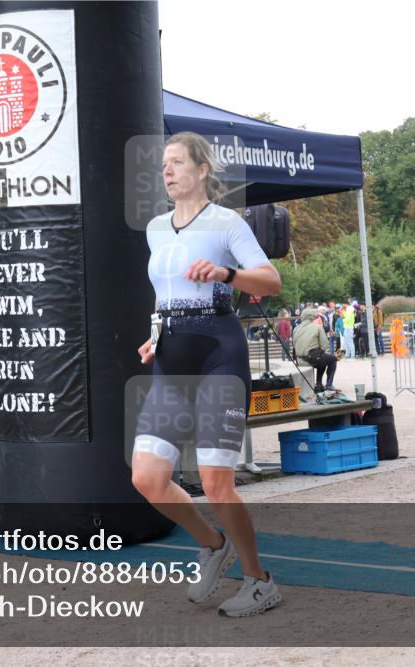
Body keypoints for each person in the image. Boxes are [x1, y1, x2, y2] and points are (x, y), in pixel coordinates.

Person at [131, 132, 283, 618]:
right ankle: (214, 545)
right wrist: (153, 336)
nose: (167, 171)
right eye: (163, 165)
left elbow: (272, 281)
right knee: (148, 479)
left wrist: (227, 275)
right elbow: (163, 292)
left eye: (177, 163)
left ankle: (259, 581)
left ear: (201, 170)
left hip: (219, 353)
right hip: (171, 359)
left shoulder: (226, 223)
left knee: (217, 483)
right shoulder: (155, 228)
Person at [292, 307, 338, 391]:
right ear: (312, 317)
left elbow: (294, 345)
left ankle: (319, 383)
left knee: (322, 358)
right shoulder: (317, 327)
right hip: (312, 358)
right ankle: (328, 384)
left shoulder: (296, 329)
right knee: (332, 359)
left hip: (299, 359)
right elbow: (324, 345)